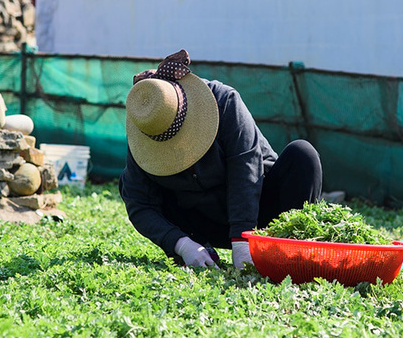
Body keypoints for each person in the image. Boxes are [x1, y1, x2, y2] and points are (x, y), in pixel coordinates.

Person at [118, 49, 323, 270]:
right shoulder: (147, 123)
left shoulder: (224, 101)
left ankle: (288, 249)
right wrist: (181, 244)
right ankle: (201, 250)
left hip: (258, 209)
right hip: (201, 218)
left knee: (303, 154)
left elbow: (246, 168)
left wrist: (242, 239)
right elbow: (139, 202)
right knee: (128, 183)